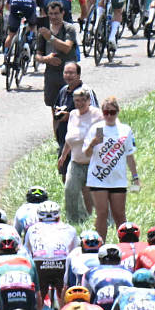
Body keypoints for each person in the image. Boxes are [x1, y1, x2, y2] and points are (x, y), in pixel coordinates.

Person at [79, 96, 139, 236]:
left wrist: (135, 177)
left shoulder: (125, 130)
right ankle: (100, 245)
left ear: (117, 112)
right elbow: (87, 154)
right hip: (98, 178)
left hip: (118, 179)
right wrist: (93, 143)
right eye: (106, 112)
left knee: (119, 214)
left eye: (112, 112)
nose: (109, 116)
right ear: (102, 113)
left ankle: (125, 245)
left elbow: (130, 155)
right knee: (102, 213)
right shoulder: (96, 129)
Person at [60, 83, 100, 226]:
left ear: (89, 100)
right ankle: (76, 220)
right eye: (77, 100)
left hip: (94, 162)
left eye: (83, 100)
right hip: (76, 162)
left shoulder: (97, 114)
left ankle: (107, 221)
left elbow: (102, 136)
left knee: (100, 194)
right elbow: (69, 138)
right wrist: (64, 155)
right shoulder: (72, 115)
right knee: (70, 190)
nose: (80, 103)